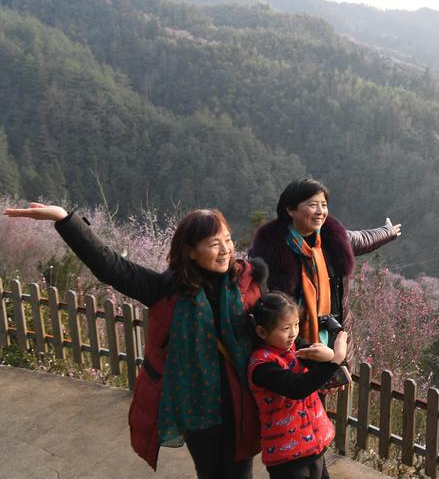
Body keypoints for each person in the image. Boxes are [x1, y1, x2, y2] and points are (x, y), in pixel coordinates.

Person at [4, 203, 266, 479]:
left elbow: (275, 327)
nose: (225, 250)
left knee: (241, 474)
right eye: (214, 244)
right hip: (197, 410)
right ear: (190, 251)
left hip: (242, 403)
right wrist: (65, 220)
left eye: (227, 240)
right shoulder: (167, 290)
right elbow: (110, 266)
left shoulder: (247, 283)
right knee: (210, 473)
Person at [248, 177, 400, 350]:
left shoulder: (333, 239)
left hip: (335, 338)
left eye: (324, 205)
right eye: (313, 205)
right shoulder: (269, 251)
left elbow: (363, 238)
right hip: (290, 345)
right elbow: (260, 302)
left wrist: (388, 231)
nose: (320, 211)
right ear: (290, 209)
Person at [247, 292, 348, 479]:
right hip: (287, 458)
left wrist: (328, 357)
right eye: (285, 328)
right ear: (262, 332)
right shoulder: (261, 366)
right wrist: (336, 360)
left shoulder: (295, 347)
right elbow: (297, 387)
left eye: (296, 325)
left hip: (314, 446)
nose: (293, 333)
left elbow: (317, 367)